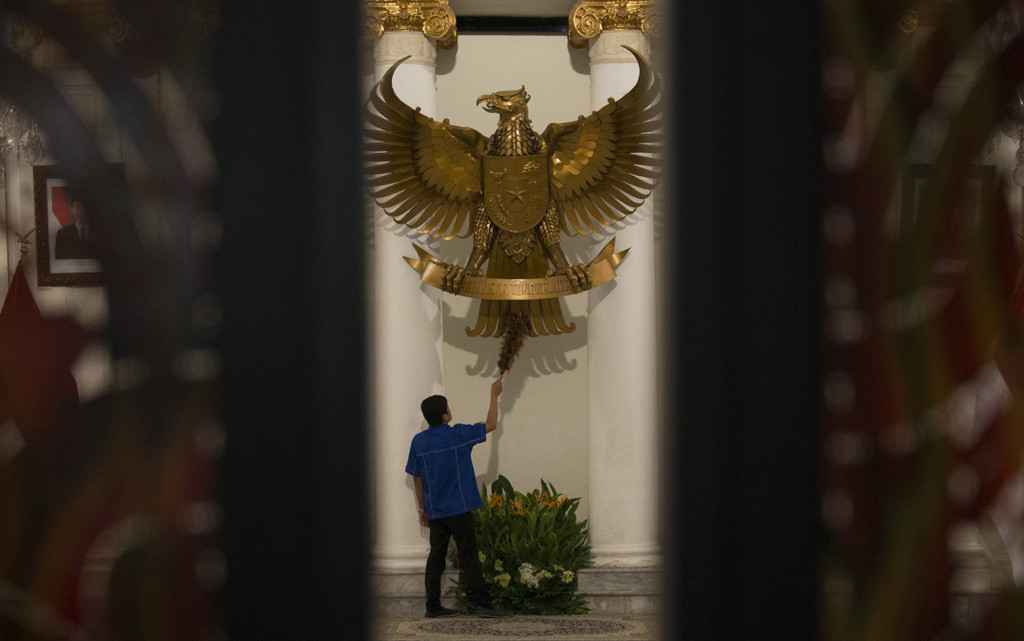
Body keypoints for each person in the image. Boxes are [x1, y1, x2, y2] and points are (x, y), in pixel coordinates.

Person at [406, 376, 512, 618]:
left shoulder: (419, 442)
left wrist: (422, 509)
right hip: (460, 509)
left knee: (436, 558)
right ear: (444, 415)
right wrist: (494, 395)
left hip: (436, 512)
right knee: (469, 558)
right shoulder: (458, 435)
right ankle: (483, 605)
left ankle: (432, 606)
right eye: (448, 407)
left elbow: (416, 477)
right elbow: (492, 423)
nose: (450, 410)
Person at [54, 195, 94, 260]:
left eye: (83, 206)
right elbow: (60, 260)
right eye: (77, 206)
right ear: (71, 210)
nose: (81, 210)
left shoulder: (99, 231)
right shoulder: (62, 234)